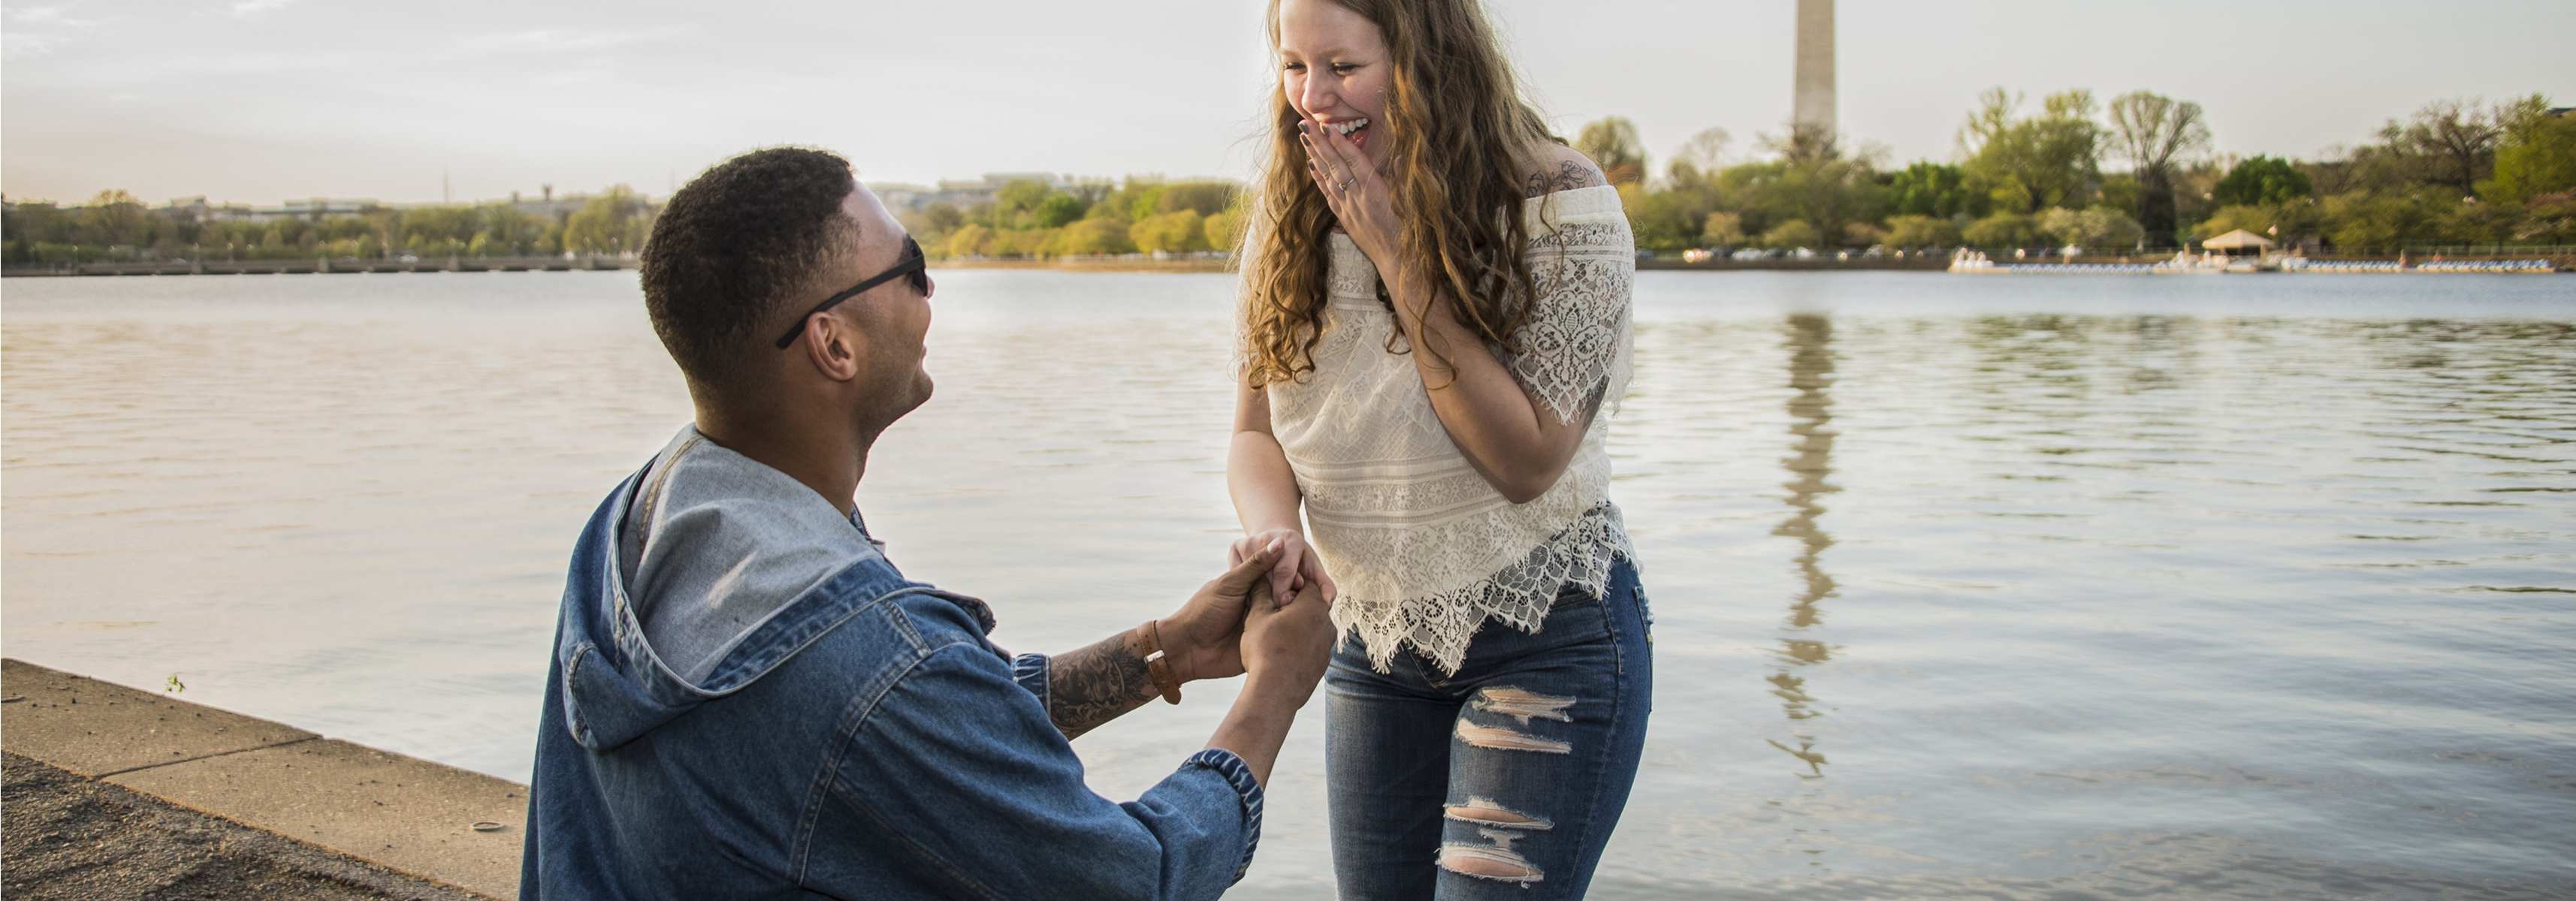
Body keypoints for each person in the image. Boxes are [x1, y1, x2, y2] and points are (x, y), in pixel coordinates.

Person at [521, 146, 1336, 900]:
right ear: (833, 345)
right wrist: (1276, 686)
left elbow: (916, 733)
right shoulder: (872, 664)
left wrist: (1169, 648)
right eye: (910, 269)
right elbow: (1137, 878)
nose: (933, 289)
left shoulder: (633, 522)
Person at [1223, 1, 1653, 897]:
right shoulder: (1293, 217)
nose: (1314, 98)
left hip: (1546, 639)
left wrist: (1397, 250)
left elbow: (1527, 461)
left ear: (1427, 55)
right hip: (1374, 648)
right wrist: (1274, 533)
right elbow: (1256, 432)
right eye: (1295, 67)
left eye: (1342, 65)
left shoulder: (1560, 201)